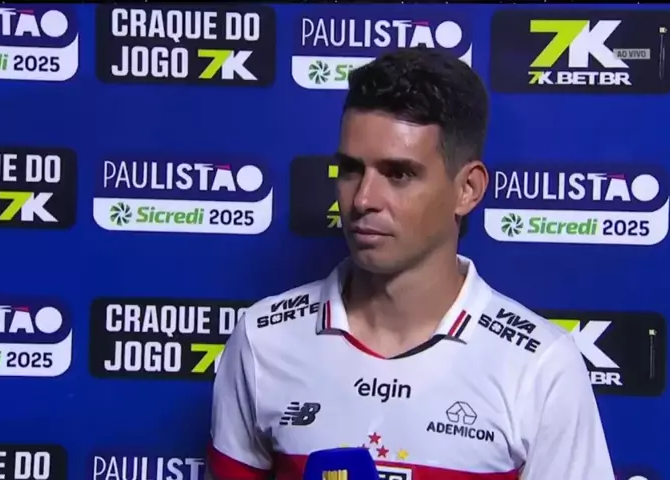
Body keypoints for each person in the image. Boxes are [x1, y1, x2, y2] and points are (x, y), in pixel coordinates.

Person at [207, 48, 615, 480]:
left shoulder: (540, 366)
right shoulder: (263, 339)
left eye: (398, 174)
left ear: (468, 189)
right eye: (350, 170)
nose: (363, 200)